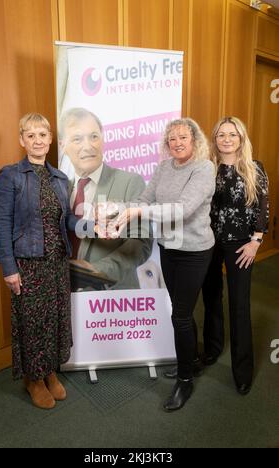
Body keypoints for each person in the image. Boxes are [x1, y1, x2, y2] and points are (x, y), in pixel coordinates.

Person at [113, 118, 216, 411]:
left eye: (183, 137)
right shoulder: (162, 167)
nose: (177, 143)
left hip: (194, 251)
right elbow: (144, 198)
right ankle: (192, 361)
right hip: (169, 248)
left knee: (180, 316)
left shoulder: (204, 168)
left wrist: (136, 211)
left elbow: (182, 210)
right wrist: (118, 210)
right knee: (181, 310)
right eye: (172, 139)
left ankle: (185, 379)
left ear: (195, 140)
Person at [0, 113, 89, 410]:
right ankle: (33, 379)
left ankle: (48, 371)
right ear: (22, 140)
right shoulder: (11, 176)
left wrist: (92, 226)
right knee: (32, 323)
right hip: (28, 263)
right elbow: (2, 223)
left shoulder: (60, 178)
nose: (37, 140)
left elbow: (68, 220)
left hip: (57, 262)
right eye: (31, 135)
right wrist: (9, 268)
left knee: (54, 320)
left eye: (42, 135)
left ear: (50, 140)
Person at [202, 116, 269, 395]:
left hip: (241, 244)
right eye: (221, 135)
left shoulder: (254, 168)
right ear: (214, 140)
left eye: (232, 134)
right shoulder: (206, 169)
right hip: (207, 242)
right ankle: (212, 349)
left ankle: (242, 371)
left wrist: (256, 241)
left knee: (239, 305)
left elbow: (263, 206)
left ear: (241, 138)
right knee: (211, 297)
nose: (226, 139)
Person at [58, 107, 153, 290]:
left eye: (94, 136)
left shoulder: (130, 182)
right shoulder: (59, 189)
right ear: (63, 145)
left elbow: (142, 242)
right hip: (64, 298)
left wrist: (98, 271)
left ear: (102, 138)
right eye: (77, 139)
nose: (88, 146)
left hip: (111, 301)